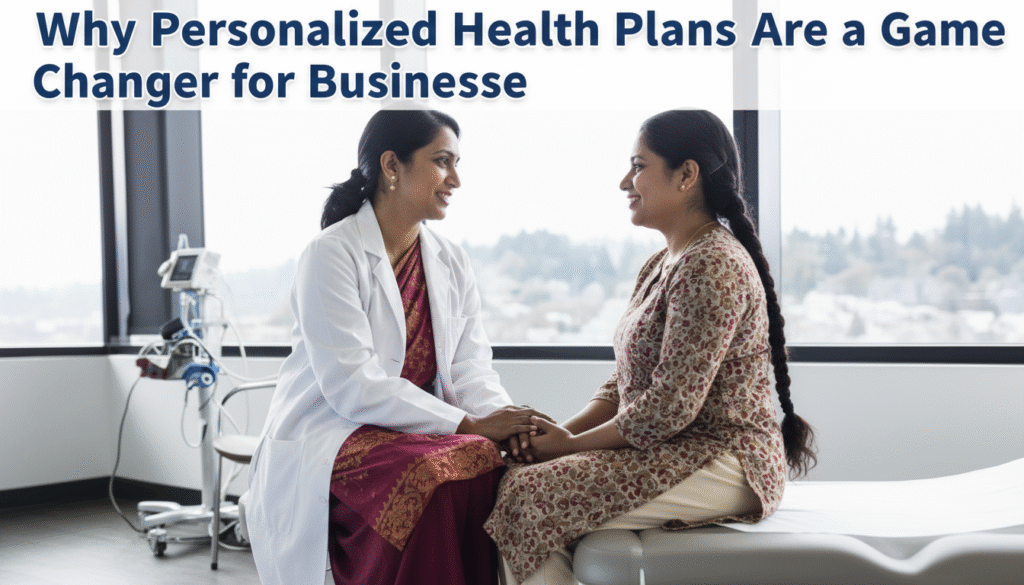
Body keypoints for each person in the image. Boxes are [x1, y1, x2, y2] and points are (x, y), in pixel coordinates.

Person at [484, 110, 817, 584]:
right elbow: (624, 381)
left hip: (725, 458)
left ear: (686, 175)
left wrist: (571, 446)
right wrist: (558, 438)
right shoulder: (662, 263)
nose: (625, 181)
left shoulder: (712, 266)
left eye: (638, 166)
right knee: (520, 480)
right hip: (673, 446)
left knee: (533, 496)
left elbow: (668, 407)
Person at [246, 110, 544, 585]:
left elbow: (470, 369)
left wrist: (506, 424)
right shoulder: (331, 254)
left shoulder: (450, 260)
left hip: (413, 427)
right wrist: (469, 423)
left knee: (487, 458)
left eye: (457, 163)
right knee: (431, 474)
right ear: (392, 166)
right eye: (442, 161)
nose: (457, 180)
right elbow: (351, 386)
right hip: (335, 427)